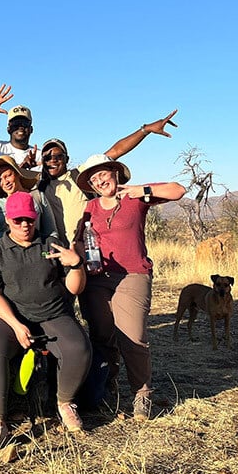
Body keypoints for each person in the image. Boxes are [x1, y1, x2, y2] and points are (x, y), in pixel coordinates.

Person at [74, 154, 186, 421]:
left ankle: (142, 393)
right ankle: (107, 385)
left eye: (102, 174)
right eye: (93, 179)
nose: (99, 181)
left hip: (133, 275)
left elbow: (178, 191)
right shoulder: (90, 207)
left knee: (133, 337)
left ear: (114, 172)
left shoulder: (135, 197)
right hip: (97, 279)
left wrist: (142, 190)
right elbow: (80, 240)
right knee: (102, 336)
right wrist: (81, 256)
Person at [0, 191, 91, 449]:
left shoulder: (51, 246)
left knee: (79, 348)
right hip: (9, 316)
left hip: (52, 312)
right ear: (7, 220)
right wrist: (16, 325)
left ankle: (65, 402)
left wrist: (76, 265)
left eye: (29, 219)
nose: (25, 225)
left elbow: (75, 289)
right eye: (18, 220)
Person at [37, 109, 179, 244]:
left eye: (58, 156)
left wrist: (145, 130)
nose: (53, 160)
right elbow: (15, 176)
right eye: (47, 157)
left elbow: (116, 150)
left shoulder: (79, 175)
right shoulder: (39, 185)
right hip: (57, 254)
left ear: (67, 159)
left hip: (86, 250)